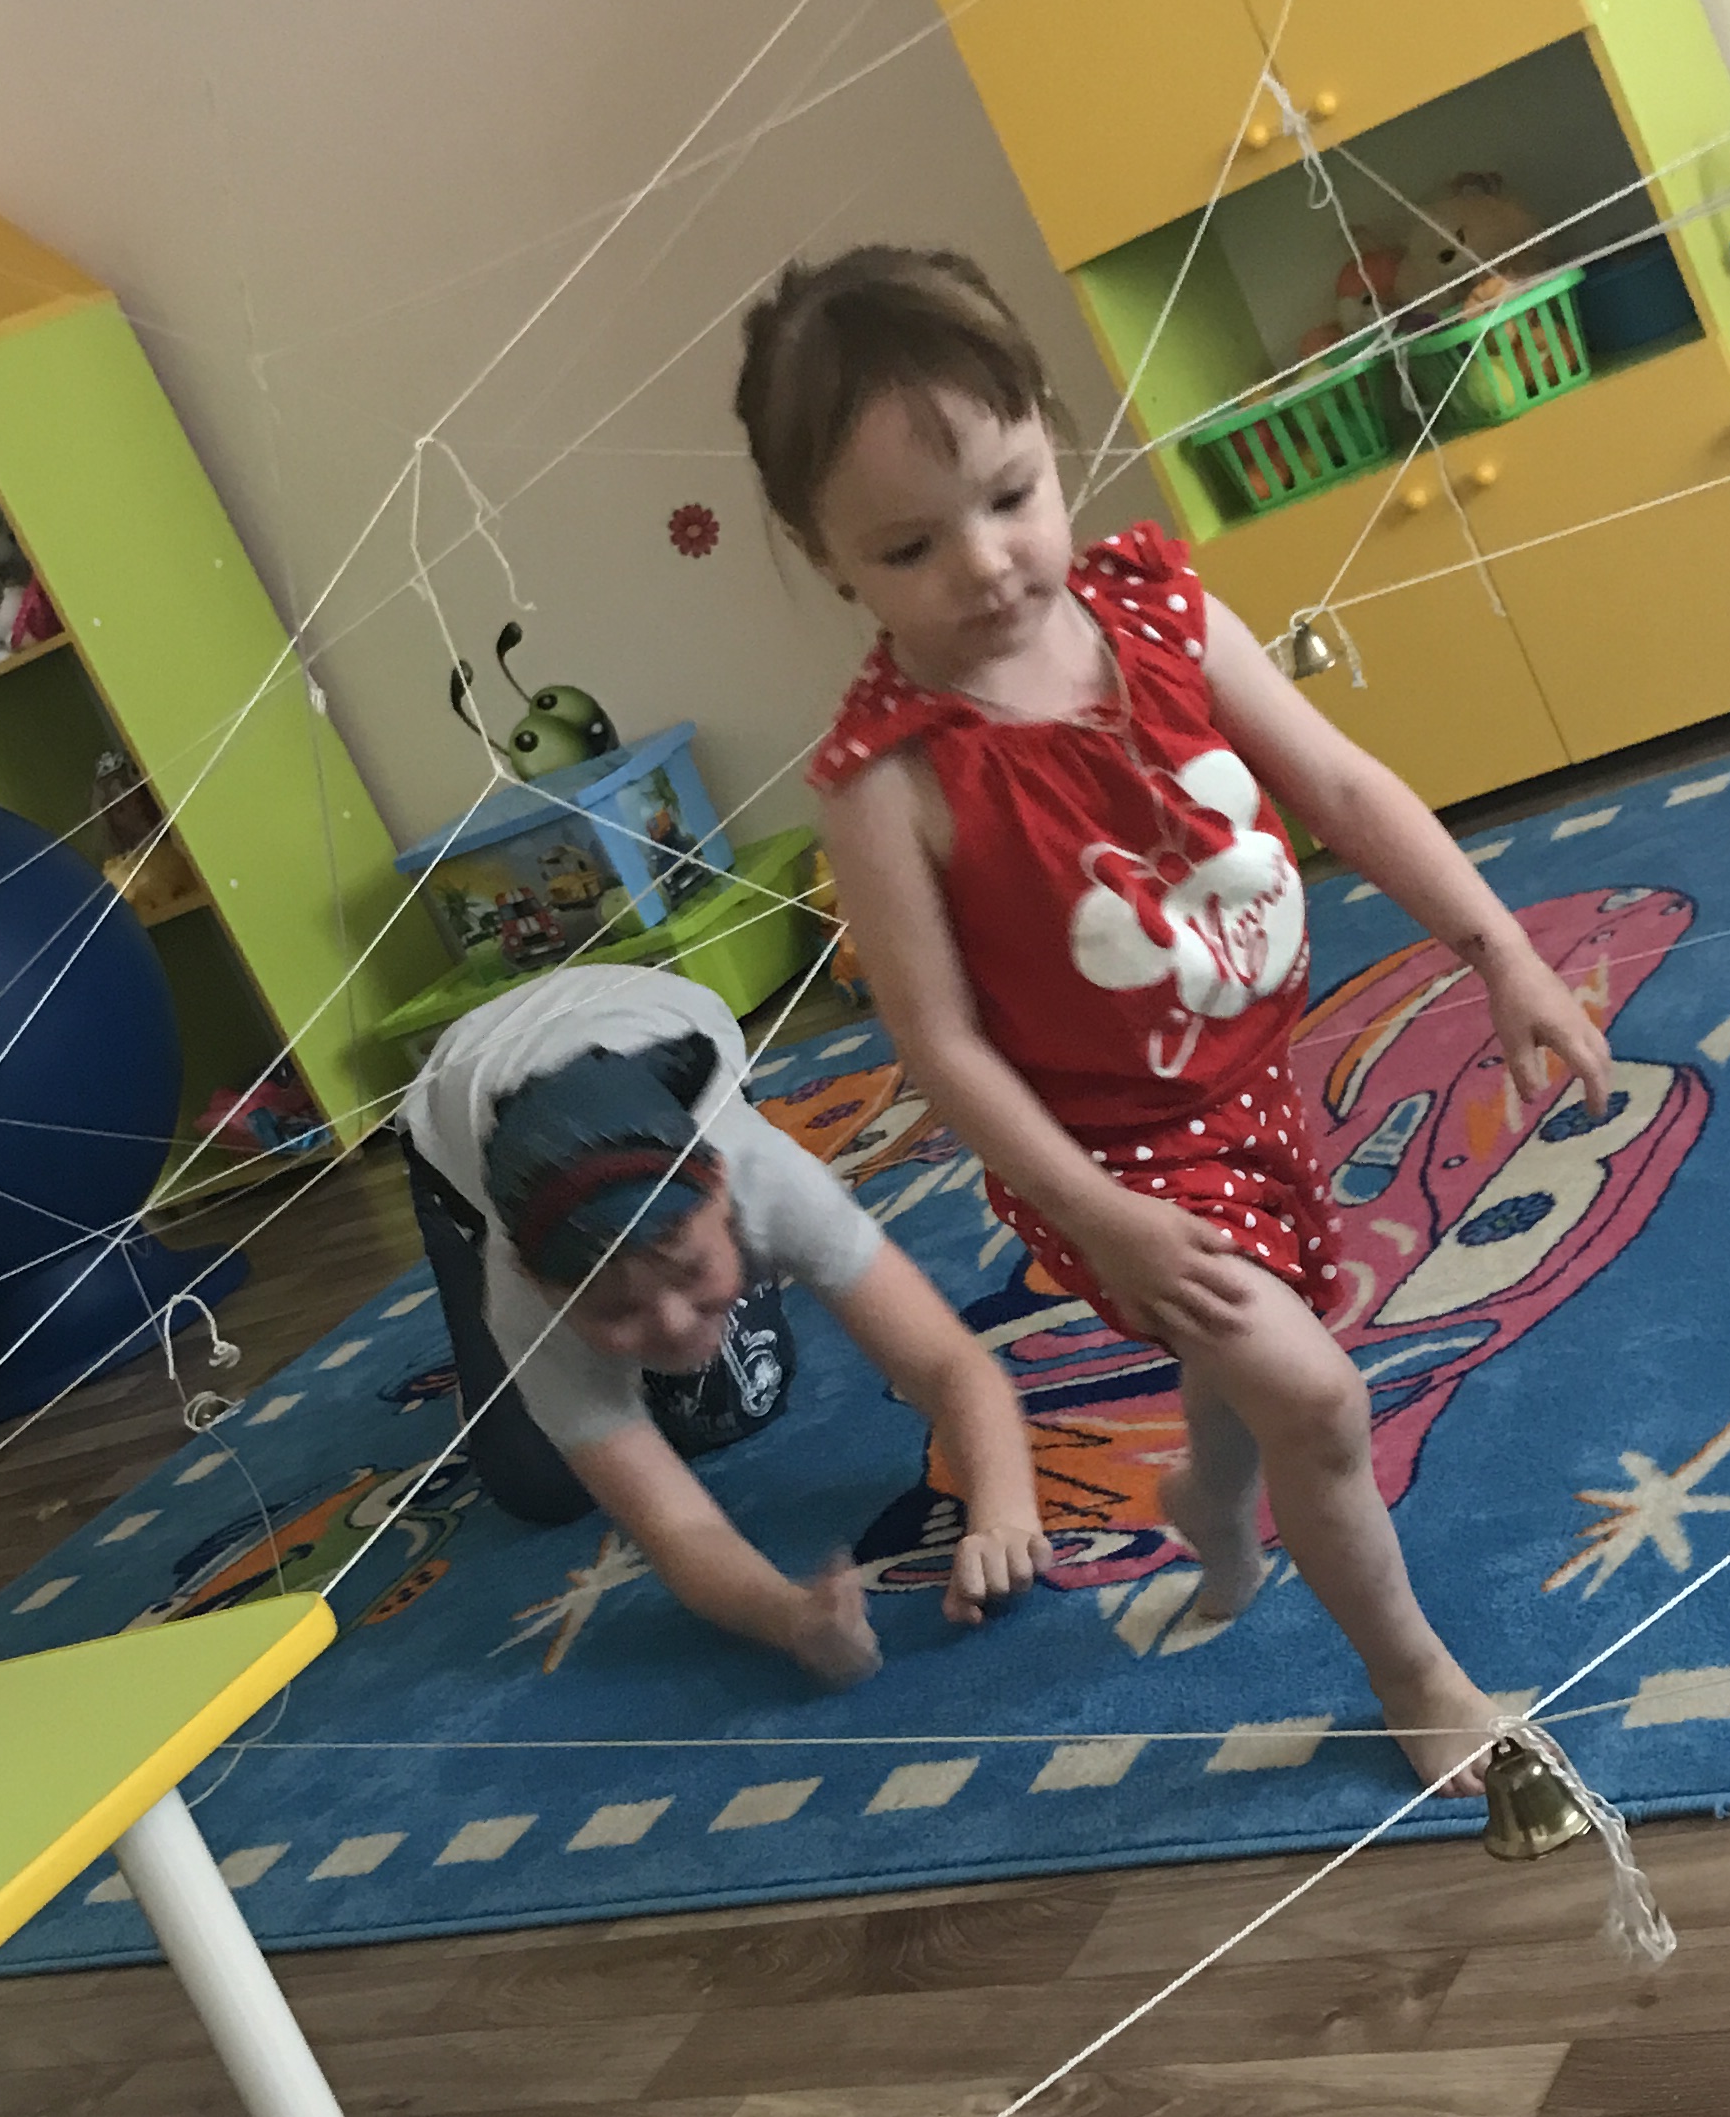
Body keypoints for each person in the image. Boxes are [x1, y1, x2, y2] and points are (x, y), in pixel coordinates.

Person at [736, 244, 1617, 1811]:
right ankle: (1418, 1683)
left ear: (1051, 434)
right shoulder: (886, 784)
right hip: (1111, 1159)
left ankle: (1209, 1496)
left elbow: (1339, 784)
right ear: (826, 560)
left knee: (1249, 1358)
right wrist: (1099, 1215)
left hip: (1250, 1074)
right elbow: (939, 1047)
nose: (987, 563)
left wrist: (1499, 950)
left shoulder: (1159, 610)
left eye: (1011, 496)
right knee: (1315, 1393)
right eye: (911, 546)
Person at [398, 960, 1049, 1685]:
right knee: (538, 1486)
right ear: (533, 1281)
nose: (674, 1325)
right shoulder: (519, 1292)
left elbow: (951, 1366)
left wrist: (1003, 1515)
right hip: (451, 1127)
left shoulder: (768, 1177)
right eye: (614, 1307)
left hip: (651, 1010)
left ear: (723, 1199)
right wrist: (786, 1617)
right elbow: (676, 1530)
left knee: (738, 1402)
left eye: (690, 1273)